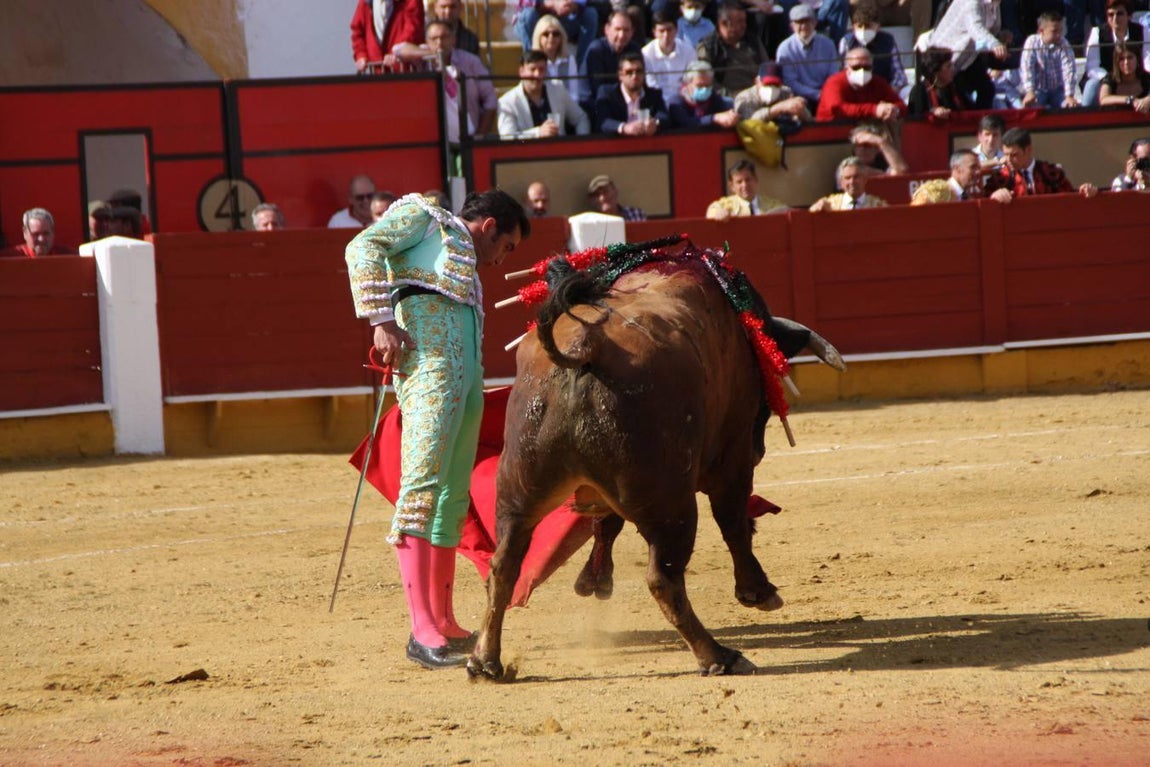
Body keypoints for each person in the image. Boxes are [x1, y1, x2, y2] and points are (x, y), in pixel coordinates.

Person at [344, 189, 529, 669]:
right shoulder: (424, 218)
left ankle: (444, 620)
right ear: (489, 227)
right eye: (506, 246)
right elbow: (362, 246)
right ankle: (421, 630)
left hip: (465, 379)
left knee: (451, 495)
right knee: (421, 488)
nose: (502, 259)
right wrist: (381, 319)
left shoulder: (464, 261)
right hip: (429, 371)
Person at [928, 0, 1012, 110]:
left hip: (968, 57)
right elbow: (975, 28)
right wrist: (994, 44)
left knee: (986, 89)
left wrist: (1000, 37)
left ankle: (982, 119)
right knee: (953, 99)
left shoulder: (995, 5)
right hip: (946, 57)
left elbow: (990, 30)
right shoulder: (971, 2)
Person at [422, 19, 498, 138]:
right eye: (434, 38)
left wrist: (480, 135)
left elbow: (490, 98)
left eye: (444, 37)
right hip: (432, 137)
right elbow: (398, 50)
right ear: (427, 42)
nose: (439, 42)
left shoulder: (470, 61)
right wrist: (427, 55)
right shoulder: (421, 61)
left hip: (466, 136)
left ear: (453, 39)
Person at [984, 127, 1099, 200]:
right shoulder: (1001, 177)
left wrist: (1086, 191)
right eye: (1006, 154)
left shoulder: (1051, 172)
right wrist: (994, 196)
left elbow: (1070, 198)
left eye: (1014, 155)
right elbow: (985, 200)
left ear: (1028, 150)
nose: (1008, 159)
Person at [499, 50, 591, 139]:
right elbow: (507, 137)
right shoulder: (507, 102)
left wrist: (580, 143)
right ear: (521, 71)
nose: (537, 74)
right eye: (532, 69)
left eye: (541, 69)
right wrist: (538, 133)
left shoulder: (558, 89)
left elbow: (581, 118)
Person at [815, 45, 906, 123]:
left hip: (869, 129)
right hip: (833, 131)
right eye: (856, 67)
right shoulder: (834, 83)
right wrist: (874, 110)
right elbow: (837, 108)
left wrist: (893, 110)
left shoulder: (878, 82)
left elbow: (902, 106)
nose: (862, 71)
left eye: (867, 67)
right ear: (847, 67)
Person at [776, 4, 840, 114]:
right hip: (799, 97)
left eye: (807, 21)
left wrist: (826, 93)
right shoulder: (785, 48)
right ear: (792, 25)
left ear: (815, 23)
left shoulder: (828, 44)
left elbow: (833, 74)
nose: (804, 26)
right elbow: (790, 82)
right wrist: (816, 94)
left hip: (826, 94)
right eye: (799, 22)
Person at [1081, 0, 1146, 107]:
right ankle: (1084, 115)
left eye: (1119, 14)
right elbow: (1092, 67)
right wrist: (1112, 78)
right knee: (1092, 84)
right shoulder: (1097, 32)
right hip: (1106, 78)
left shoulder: (1142, 31)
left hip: (1136, 76)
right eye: (1111, 15)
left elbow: (1148, 61)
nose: (1115, 18)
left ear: (1129, 16)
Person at [696, 2, 769, 96]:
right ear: (724, 23)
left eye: (744, 21)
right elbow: (706, 81)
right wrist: (733, 96)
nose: (744, 25)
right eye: (739, 21)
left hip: (757, 94)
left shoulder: (753, 41)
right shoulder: (708, 47)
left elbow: (766, 68)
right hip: (725, 99)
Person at [594, 51, 670, 134]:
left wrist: (655, 123)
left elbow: (664, 117)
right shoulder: (607, 93)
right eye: (629, 72)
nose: (634, 76)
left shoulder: (654, 94)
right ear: (620, 75)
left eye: (639, 71)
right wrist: (624, 128)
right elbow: (603, 121)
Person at [837, 4, 908, 95]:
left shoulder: (888, 40)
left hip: (884, 90)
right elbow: (842, 72)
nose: (863, 30)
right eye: (860, 26)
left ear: (878, 26)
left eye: (868, 26)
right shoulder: (847, 42)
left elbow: (899, 75)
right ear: (853, 27)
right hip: (854, 92)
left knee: (907, 92)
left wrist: (889, 92)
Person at [582, 11, 643, 109]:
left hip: (628, 102)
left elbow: (640, 82)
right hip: (596, 105)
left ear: (632, 32)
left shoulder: (634, 49)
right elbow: (598, 89)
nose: (621, 35)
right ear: (607, 29)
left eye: (626, 30)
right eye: (617, 29)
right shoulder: (596, 51)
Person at [1019, 11, 1079, 109]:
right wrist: (1029, 91)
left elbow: (1069, 69)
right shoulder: (1032, 42)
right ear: (1041, 31)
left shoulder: (1064, 43)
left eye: (1061, 31)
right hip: (1037, 90)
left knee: (1070, 107)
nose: (1059, 35)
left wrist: (1069, 95)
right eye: (1054, 31)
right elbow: (1027, 68)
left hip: (1059, 91)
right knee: (1030, 107)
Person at [350, 0, 426, 73]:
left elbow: (413, 29)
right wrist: (361, 55)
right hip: (377, 70)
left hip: (405, 71)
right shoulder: (365, 2)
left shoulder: (409, 2)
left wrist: (397, 53)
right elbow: (357, 31)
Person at [517, 0, 599, 66]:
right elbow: (525, 3)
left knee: (591, 13)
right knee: (528, 15)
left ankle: (581, 67)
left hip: (567, 20)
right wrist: (552, 4)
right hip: (537, 22)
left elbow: (583, 2)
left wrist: (572, 5)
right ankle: (531, 64)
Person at [733, 60, 813, 127]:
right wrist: (777, 109)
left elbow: (810, 120)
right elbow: (748, 123)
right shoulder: (745, 98)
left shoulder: (785, 93)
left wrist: (800, 111)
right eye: (767, 84)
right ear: (757, 82)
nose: (771, 89)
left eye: (775, 85)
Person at [642, 11, 699, 100]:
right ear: (654, 32)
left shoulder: (688, 51)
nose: (666, 35)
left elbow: (692, 80)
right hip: (657, 100)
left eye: (669, 30)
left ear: (676, 30)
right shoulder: (646, 54)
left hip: (683, 99)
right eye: (661, 31)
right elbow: (651, 84)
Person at [705, 159, 788, 219]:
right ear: (732, 186)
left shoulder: (771, 205)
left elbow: (787, 211)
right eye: (739, 182)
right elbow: (712, 211)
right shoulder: (725, 205)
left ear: (755, 180)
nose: (744, 185)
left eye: (748, 180)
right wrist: (719, 213)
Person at [668, 60, 740, 129]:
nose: (704, 89)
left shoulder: (713, 97)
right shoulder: (676, 101)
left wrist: (731, 117)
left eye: (707, 86)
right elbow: (687, 123)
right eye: (700, 86)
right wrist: (713, 118)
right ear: (687, 84)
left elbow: (724, 110)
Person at [533, 14, 585, 104]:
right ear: (539, 37)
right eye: (546, 34)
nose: (551, 37)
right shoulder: (533, 62)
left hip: (567, 106)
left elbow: (574, 93)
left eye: (556, 34)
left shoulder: (570, 60)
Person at [907, 46, 968, 118]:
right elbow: (914, 117)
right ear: (936, 71)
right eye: (948, 66)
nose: (952, 69)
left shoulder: (955, 88)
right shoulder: (920, 91)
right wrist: (932, 112)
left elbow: (970, 110)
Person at [809, 156, 889, 210]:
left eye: (856, 177)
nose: (852, 182)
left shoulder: (878, 206)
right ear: (841, 182)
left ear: (865, 179)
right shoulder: (831, 204)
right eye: (847, 178)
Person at [910, 149, 984, 204]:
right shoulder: (934, 193)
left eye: (978, 168)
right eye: (973, 167)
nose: (978, 172)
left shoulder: (968, 198)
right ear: (957, 169)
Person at [3, 208, 75, 258]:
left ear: (53, 233)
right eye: (35, 234)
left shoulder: (69, 257)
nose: (41, 239)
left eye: (46, 233)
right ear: (25, 233)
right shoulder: (9, 258)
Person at [1098, 44, 1150, 112]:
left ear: (1137, 59)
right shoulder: (1110, 78)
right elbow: (1103, 99)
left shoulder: (1147, 78)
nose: (1126, 62)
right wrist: (1130, 100)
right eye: (1121, 59)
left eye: (1130, 57)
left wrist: (1148, 100)